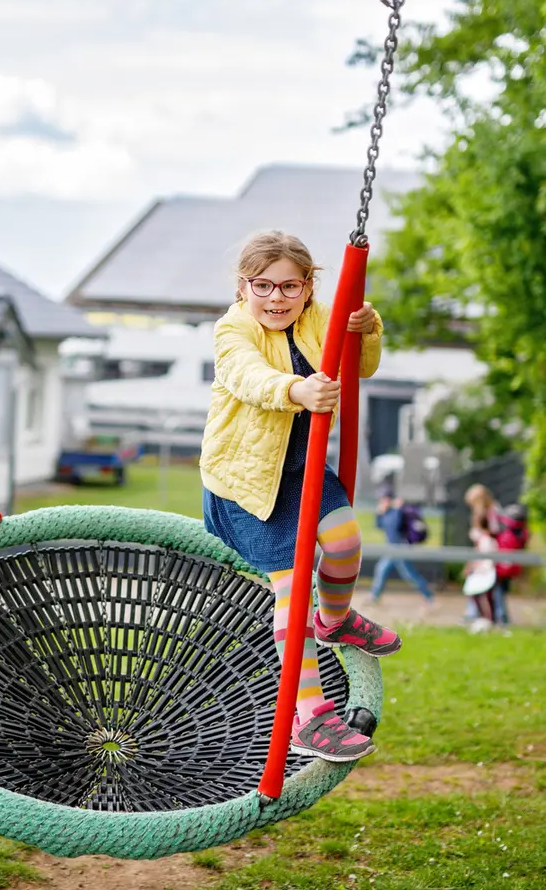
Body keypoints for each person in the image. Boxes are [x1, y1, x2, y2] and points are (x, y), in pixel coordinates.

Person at [200, 230, 401, 764]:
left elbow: (361, 366)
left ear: (308, 286)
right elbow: (247, 378)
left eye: (290, 286)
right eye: (262, 285)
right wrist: (297, 390)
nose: (276, 298)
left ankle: (335, 619)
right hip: (245, 483)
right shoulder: (232, 328)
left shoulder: (318, 316)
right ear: (243, 286)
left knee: (344, 542)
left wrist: (367, 329)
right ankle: (307, 716)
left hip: (300, 467)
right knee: (292, 585)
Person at [369, 490, 435, 605]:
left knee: (409, 575)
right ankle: (374, 597)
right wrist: (379, 514)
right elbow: (379, 526)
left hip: (400, 549)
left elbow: (395, 525)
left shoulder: (397, 512)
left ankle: (429, 597)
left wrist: (397, 508)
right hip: (391, 550)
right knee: (381, 570)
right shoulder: (386, 513)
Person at [462, 512, 499, 632]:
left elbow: (482, 557)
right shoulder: (486, 539)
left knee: (484, 595)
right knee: (477, 594)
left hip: (484, 571)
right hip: (482, 570)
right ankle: (485, 618)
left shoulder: (486, 539)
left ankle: (489, 619)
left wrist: (472, 567)